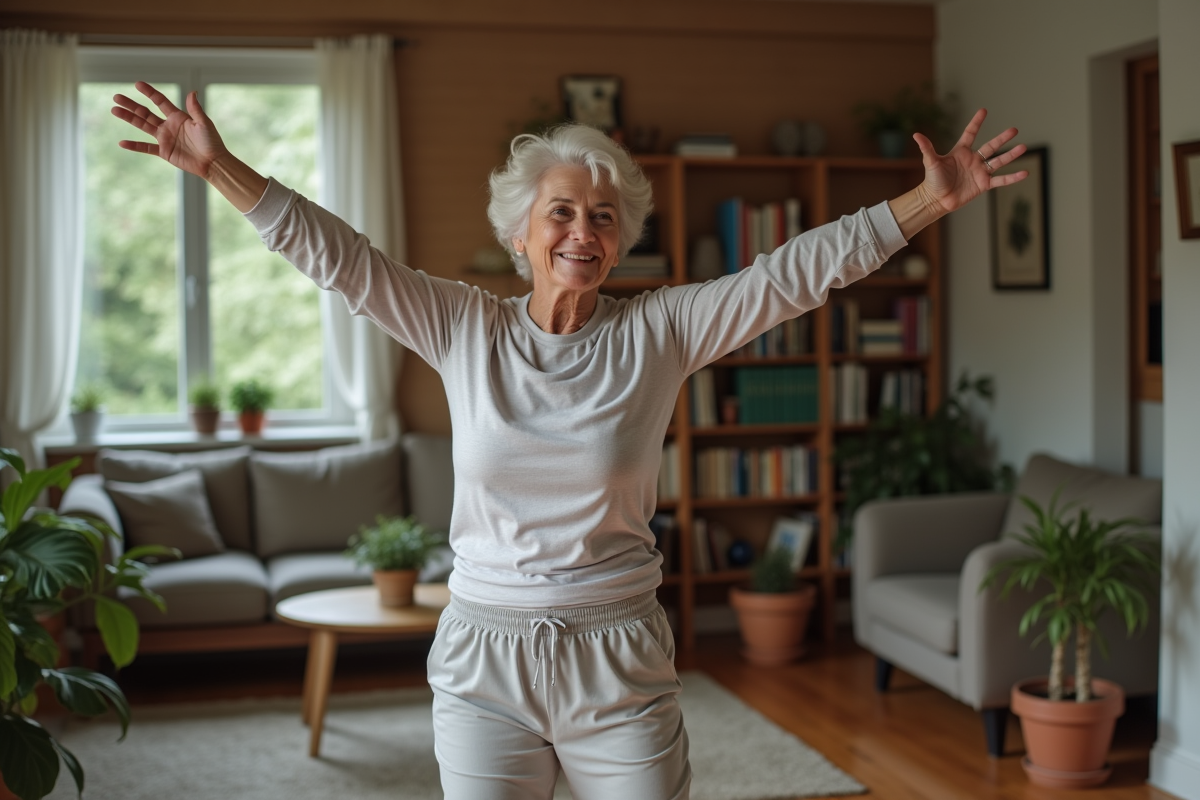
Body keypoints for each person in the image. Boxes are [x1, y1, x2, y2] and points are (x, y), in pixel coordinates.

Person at [112, 81, 1025, 800]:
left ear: (621, 236)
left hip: (617, 655)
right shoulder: (462, 326)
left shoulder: (658, 332)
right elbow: (341, 258)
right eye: (561, 211)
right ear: (520, 231)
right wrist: (222, 170)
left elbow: (791, 276)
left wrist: (923, 207)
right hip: (482, 659)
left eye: (601, 217)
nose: (581, 232)